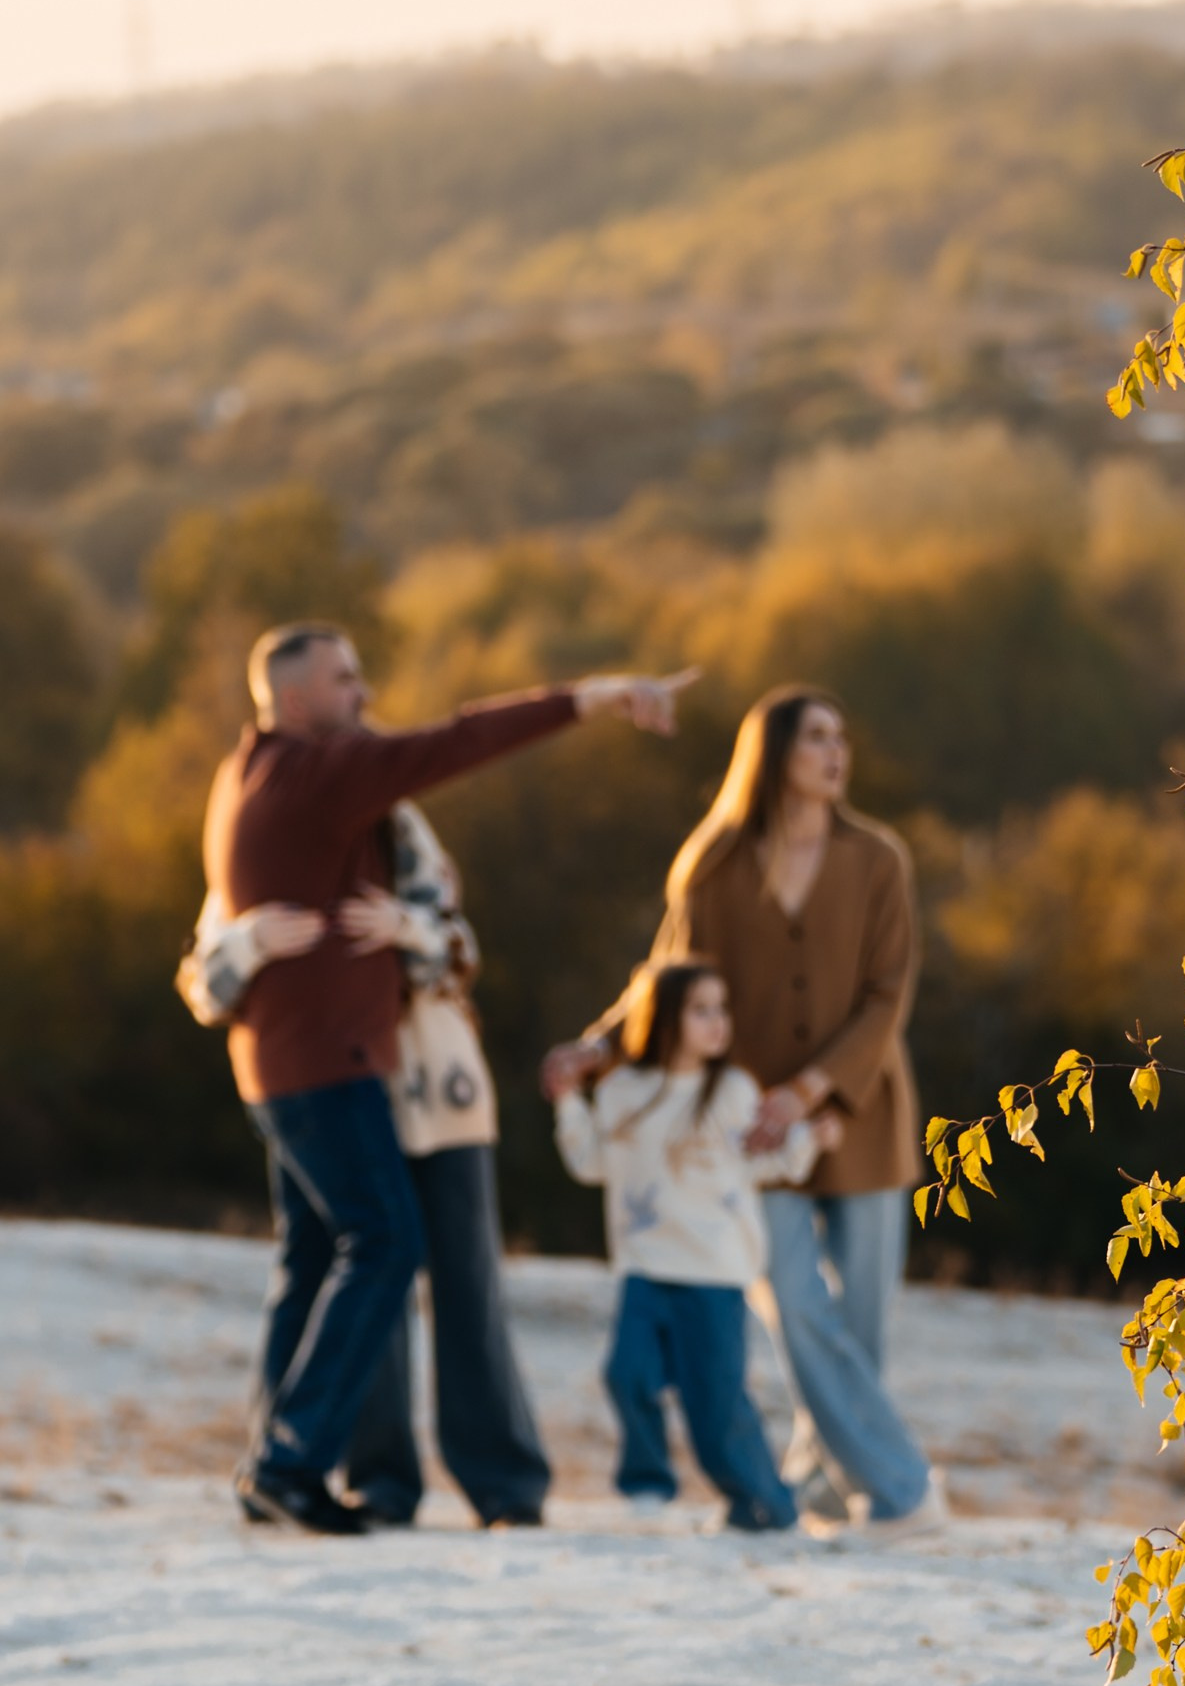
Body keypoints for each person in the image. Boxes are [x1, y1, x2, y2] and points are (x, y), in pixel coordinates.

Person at [199, 618, 692, 1536]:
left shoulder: (245, 778)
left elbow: (444, 931)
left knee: (315, 1259)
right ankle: (289, 1462)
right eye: (346, 681)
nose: (365, 696)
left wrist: (410, 933)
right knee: (385, 1244)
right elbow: (461, 737)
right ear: (296, 699)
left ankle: (284, 1466)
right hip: (330, 1066)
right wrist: (592, 697)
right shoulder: (324, 772)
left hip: (308, 1066)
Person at [551, 685, 944, 1536]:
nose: (837, 754)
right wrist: (598, 1048)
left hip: (859, 1116)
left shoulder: (880, 859)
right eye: (816, 739)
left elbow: (888, 997)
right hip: (751, 1130)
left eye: (842, 738)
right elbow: (665, 979)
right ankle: (905, 1492)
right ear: (772, 755)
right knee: (798, 1308)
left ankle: (825, 1483)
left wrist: (811, 1091)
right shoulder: (715, 865)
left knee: (860, 1337)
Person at [178, 798, 550, 1530]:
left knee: (467, 1282)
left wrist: (405, 929)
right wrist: (253, 942)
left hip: (440, 1087)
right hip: (334, 1090)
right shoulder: (262, 846)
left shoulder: (398, 825)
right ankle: (381, 1480)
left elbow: (458, 947)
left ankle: (505, 1484)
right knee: (360, 1274)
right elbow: (203, 982)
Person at [550, 956, 837, 1532]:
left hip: (716, 1275)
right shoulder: (622, 1092)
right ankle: (647, 1490)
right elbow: (590, 1161)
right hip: (645, 1268)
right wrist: (565, 1100)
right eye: (702, 1010)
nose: (718, 1022)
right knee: (626, 1376)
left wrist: (811, 1137)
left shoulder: (731, 1091)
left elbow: (761, 1160)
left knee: (718, 1405)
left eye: (722, 1010)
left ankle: (763, 1508)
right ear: (661, 1017)